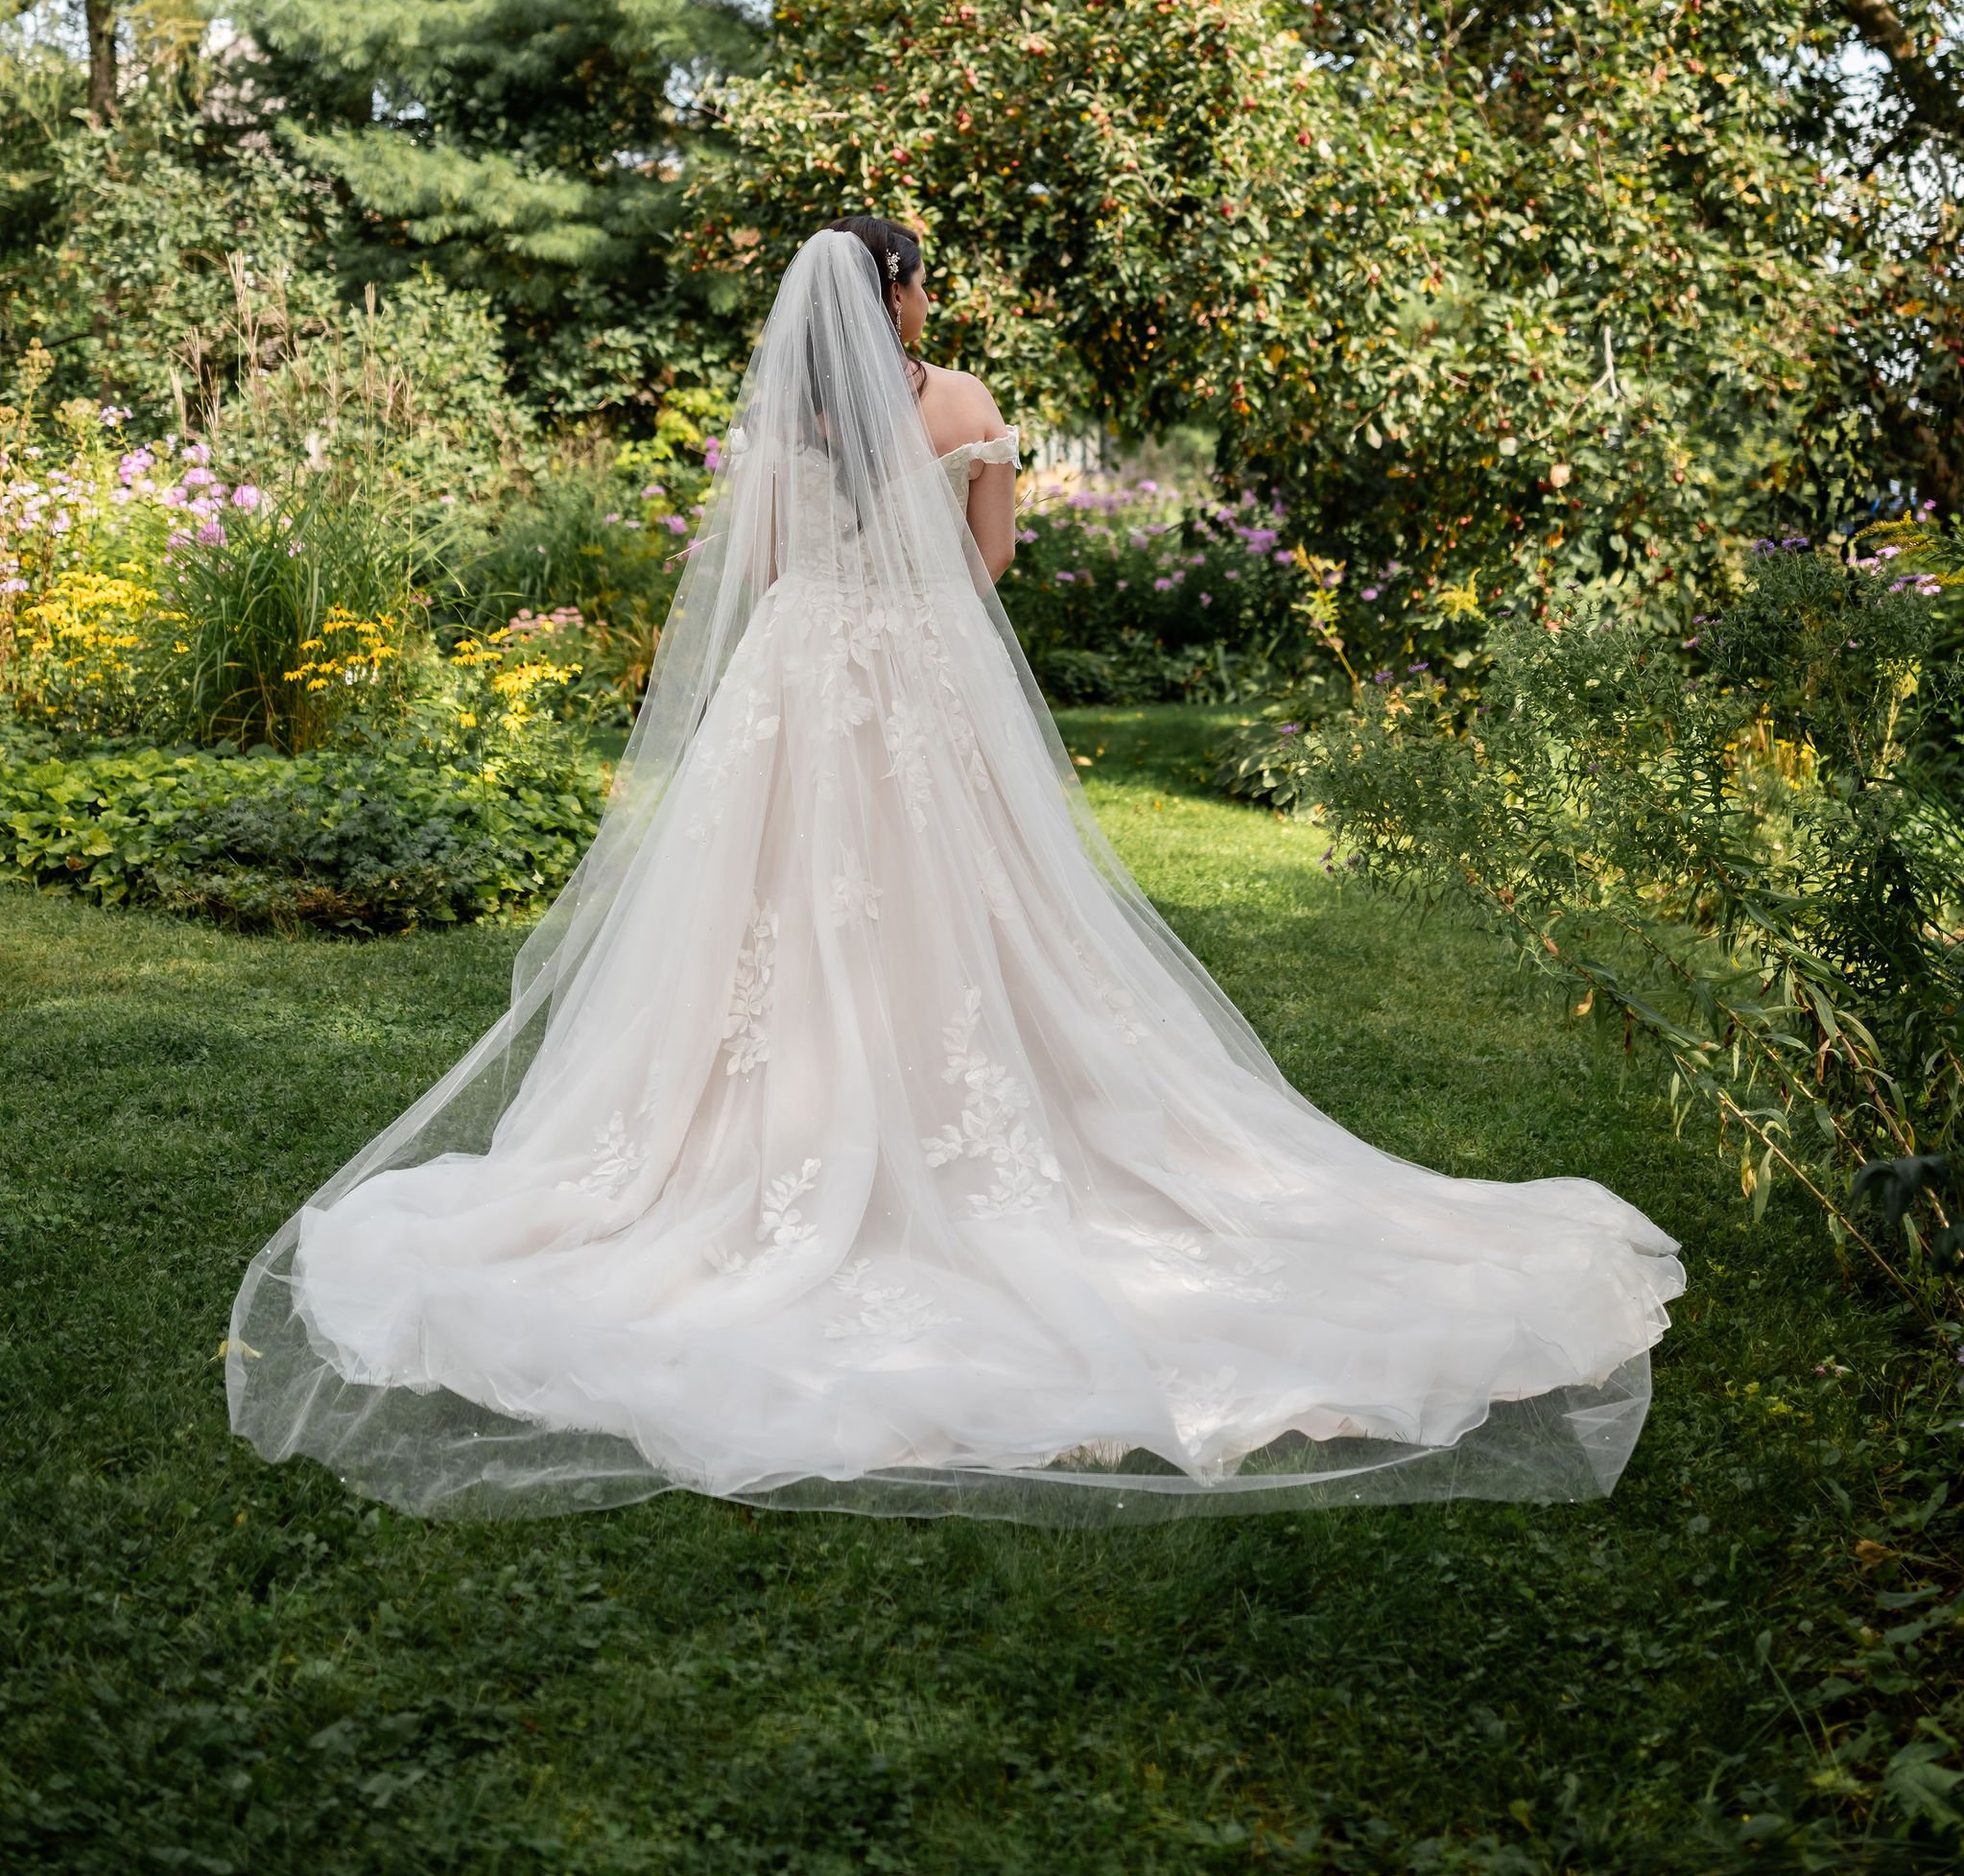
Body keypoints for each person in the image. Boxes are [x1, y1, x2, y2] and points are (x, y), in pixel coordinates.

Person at [228, 221, 1683, 1522]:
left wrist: (841, 609)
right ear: (900, 298)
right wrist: (910, 594)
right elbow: (986, 567)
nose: (928, 306)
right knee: (981, 909)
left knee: (766, 909)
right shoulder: (967, 406)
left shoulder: (783, 421)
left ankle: (748, 1139)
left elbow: (768, 569)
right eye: (922, 285)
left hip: (798, 683)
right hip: (918, 674)